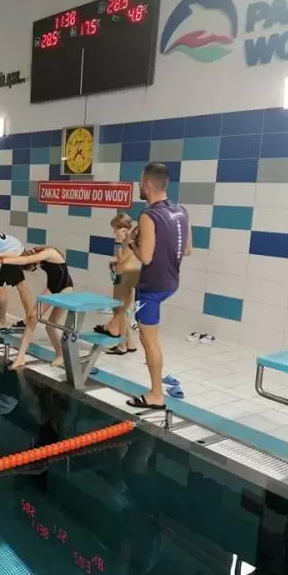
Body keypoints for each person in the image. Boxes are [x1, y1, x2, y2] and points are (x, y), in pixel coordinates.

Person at [126, 163, 192, 411]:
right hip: (171, 281)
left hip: (151, 288)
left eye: (140, 182)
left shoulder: (148, 215)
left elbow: (145, 257)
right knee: (151, 339)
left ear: (148, 184)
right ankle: (156, 390)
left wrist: (130, 242)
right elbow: (187, 249)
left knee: (149, 340)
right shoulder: (181, 211)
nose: (139, 186)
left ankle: (156, 394)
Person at [0, 246, 73, 368]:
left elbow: (26, 260)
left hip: (65, 289)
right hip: (51, 288)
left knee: (50, 327)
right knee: (32, 318)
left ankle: (60, 355)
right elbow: (19, 256)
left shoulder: (50, 252)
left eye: (34, 267)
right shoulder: (36, 255)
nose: (36, 267)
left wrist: (1, 261)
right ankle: (21, 356)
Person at [95, 212, 140, 355]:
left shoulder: (128, 240)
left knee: (120, 311)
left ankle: (122, 346)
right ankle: (130, 343)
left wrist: (118, 242)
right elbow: (125, 259)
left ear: (123, 228)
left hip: (125, 277)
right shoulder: (132, 238)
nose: (114, 232)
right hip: (128, 276)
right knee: (123, 312)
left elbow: (121, 259)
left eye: (115, 228)